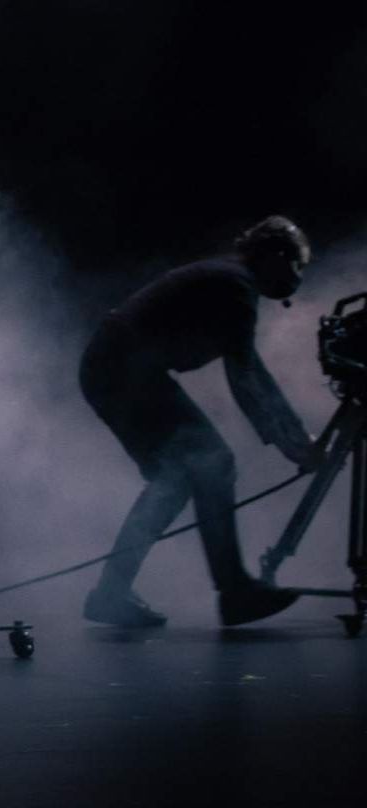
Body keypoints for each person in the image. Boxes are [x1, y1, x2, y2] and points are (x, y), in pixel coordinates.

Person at [80, 216, 323, 629]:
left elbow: (249, 370)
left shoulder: (231, 281)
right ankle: (233, 592)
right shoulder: (236, 286)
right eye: (297, 266)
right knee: (212, 462)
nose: (298, 279)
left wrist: (291, 438)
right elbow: (246, 376)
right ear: (276, 255)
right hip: (124, 371)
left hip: (118, 369)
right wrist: (294, 442)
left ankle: (112, 592)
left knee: (177, 479)